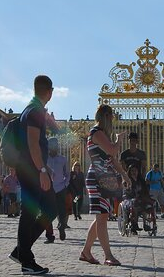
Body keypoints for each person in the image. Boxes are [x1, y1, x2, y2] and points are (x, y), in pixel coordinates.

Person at [9, 75, 58, 275]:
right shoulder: (35, 111)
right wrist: (43, 170)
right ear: (50, 92)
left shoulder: (31, 109)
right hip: (32, 170)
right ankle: (26, 260)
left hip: (31, 168)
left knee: (50, 207)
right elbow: (32, 143)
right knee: (31, 211)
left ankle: (21, 251)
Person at [80, 103, 128, 266]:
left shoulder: (102, 134)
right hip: (97, 179)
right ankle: (108, 255)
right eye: (112, 116)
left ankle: (86, 252)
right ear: (106, 116)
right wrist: (118, 140)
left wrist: (124, 175)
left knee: (102, 216)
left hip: (105, 179)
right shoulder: (97, 133)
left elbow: (112, 160)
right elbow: (113, 152)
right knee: (102, 217)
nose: (113, 119)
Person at [45, 137, 69, 243]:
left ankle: (61, 226)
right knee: (47, 212)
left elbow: (67, 173)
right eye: (51, 145)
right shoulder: (45, 159)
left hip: (60, 188)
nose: (53, 148)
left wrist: (65, 184)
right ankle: (49, 235)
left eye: (55, 145)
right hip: (48, 188)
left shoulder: (63, 159)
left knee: (62, 211)